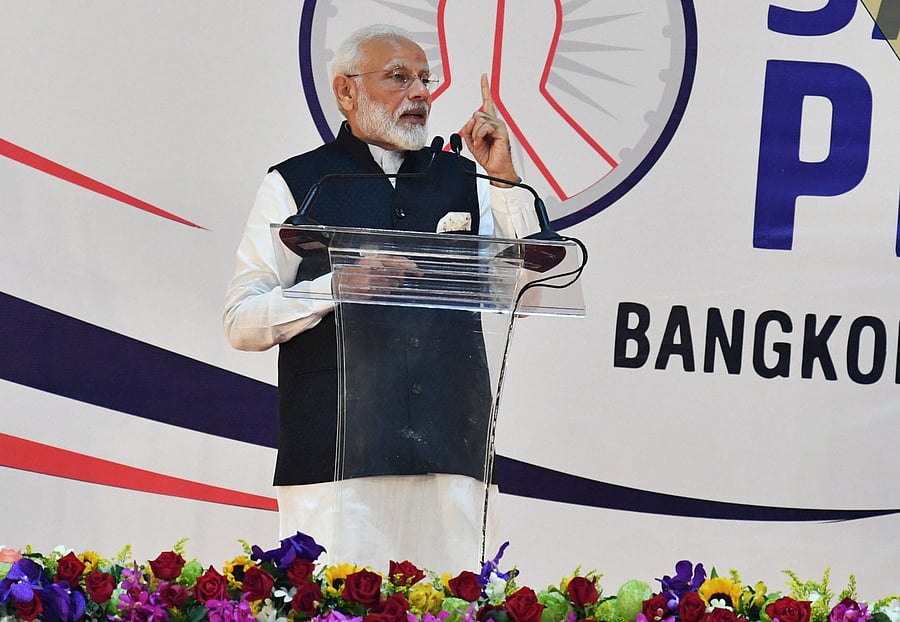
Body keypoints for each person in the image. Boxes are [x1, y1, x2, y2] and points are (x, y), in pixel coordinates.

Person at [223, 24, 539, 571]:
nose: (420, 93)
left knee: (453, 603)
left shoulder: (469, 180)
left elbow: (529, 290)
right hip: (335, 458)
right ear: (346, 91)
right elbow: (241, 320)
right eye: (399, 78)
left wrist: (505, 179)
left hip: (449, 452)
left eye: (425, 80)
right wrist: (333, 289)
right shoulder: (297, 183)